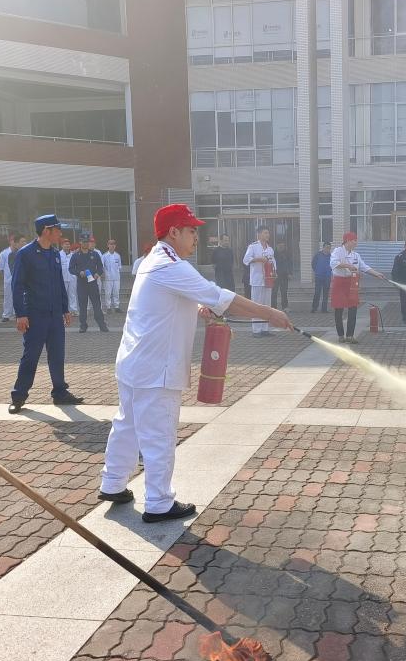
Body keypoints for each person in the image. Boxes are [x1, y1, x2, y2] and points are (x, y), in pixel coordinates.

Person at [97, 204, 292, 521]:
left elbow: (170, 299)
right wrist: (269, 313)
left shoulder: (155, 260)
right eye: (191, 231)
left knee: (127, 426)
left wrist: (198, 308)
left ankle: (113, 483)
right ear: (173, 232)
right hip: (156, 369)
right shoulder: (171, 265)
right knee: (159, 436)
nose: (196, 237)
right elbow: (222, 297)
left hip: (134, 363)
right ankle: (159, 503)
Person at [9, 214, 84, 413]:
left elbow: (59, 283)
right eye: (57, 229)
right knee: (31, 357)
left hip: (55, 315)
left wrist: (65, 308)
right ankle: (18, 396)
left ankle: (60, 392)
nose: (60, 233)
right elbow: (17, 285)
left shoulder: (54, 253)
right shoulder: (26, 254)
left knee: (57, 355)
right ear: (46, 231)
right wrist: (21, 314)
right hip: (35, 315)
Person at [330, 231, 387, 344]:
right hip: (339, 283)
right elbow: (333, 263)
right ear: (347, 241)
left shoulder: (356, 255)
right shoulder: (338, 251)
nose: (356, 243)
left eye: (356, 240)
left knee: (353, 308)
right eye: (354, 240)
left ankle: (350, 335)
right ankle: (341, 335)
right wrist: (348, 265)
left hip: (351, 283)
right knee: (339, 309)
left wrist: (376, 274)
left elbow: (364, 267)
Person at [69, 235, 108, 333]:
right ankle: (83, 325)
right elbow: (71, 269)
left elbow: (100, 267)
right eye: (84, 242)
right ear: (80, 242)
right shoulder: (76, 255)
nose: (86, 244)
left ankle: (101, 324)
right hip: (82, 284)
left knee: (96, 304)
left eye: (87, 242)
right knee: (82, 305)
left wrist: (97, 274)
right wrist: (79, 272)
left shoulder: (94, 254)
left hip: (93, 283)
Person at [242, 226, 275, 336]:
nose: (267, 235)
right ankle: (256, 330)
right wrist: (258, 259)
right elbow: (245, 260)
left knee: (267, 305)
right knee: (257, 305)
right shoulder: (253, 246)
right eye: (265, 233)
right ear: (259, 234)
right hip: (257, 280)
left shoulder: (270, 249)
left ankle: (265, 329)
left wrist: (275, 272)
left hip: (268, 279)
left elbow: (273, 262)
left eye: (268, 233)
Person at [0, 234, 17, 322]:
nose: (14, 242)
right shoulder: (4, 253)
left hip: (19, 278)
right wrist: (7, 276)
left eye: (15, 240)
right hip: (8, 279)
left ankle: (17, 313)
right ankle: (6, 314)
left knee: (18, 296)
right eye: (12, 240)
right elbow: (1, 267)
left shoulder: (21, 252)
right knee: (8, 297)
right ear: (9, 241)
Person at [101, 239, 122, 313]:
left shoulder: (118, 256)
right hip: (107, 277)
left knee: (116, 292)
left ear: (115, 246)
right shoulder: (104, 256)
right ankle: (108, 307)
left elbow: (119, 266)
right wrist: (103, 275)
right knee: (108, 293)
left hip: (116, 277)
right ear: (108, 245)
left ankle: (117, 307)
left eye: (113, 244)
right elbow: (102, 266)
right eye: (110, 244)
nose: (112, 246)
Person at [311, 241, 332, 313]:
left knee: (325, 293)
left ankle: (324, 309)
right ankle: (314, 308)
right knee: (317, 292)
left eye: (329, 248)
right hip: (319, 276)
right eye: (326, 247)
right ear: (323, 247)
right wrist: (317, 270)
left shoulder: (331, 256)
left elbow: (333, 265)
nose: (327, 249)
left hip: (327, 277)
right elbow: (313, 263)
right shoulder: (318, 255)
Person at [59, 239, 78, 316]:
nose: (67, 245)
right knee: (62, 295)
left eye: (68, 244)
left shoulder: (73, 255)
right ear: (62, 245)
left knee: (72, 294)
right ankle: (63, 311)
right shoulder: (58, 254)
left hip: (72, 277)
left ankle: (73, 310)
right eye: (65, 244)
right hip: (62, 278)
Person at [272, 240, 291, 310]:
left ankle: (285, 307)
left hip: (284, 276)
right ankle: (273, 307)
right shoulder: (272, 254)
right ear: (276, 246)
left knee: (284, 292)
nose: (281, 247)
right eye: (280, 246)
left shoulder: (287, 254)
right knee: (274, 292)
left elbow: (290, 263)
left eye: (283, 246)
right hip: (275, 276)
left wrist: (290, 273)